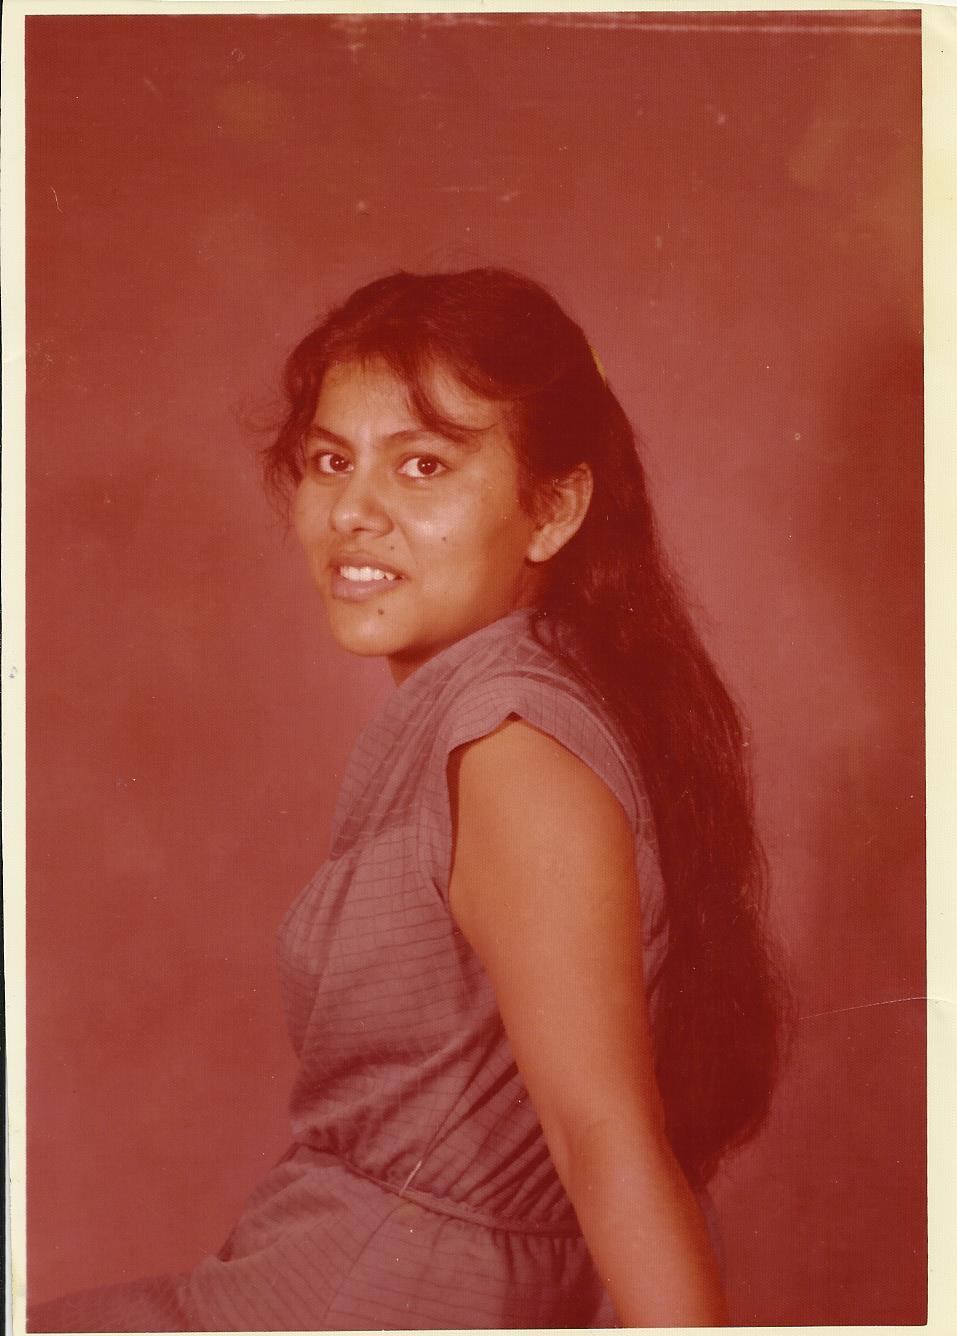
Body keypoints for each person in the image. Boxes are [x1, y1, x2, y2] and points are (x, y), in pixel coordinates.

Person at [30, 268, 782, 1331]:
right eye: (331, 460)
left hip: (377, 1300)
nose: (352, 511)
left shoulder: (513, 749)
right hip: (330, 1270)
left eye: (423, 464)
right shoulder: (511, 704)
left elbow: (605, 1142)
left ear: (554, 508)